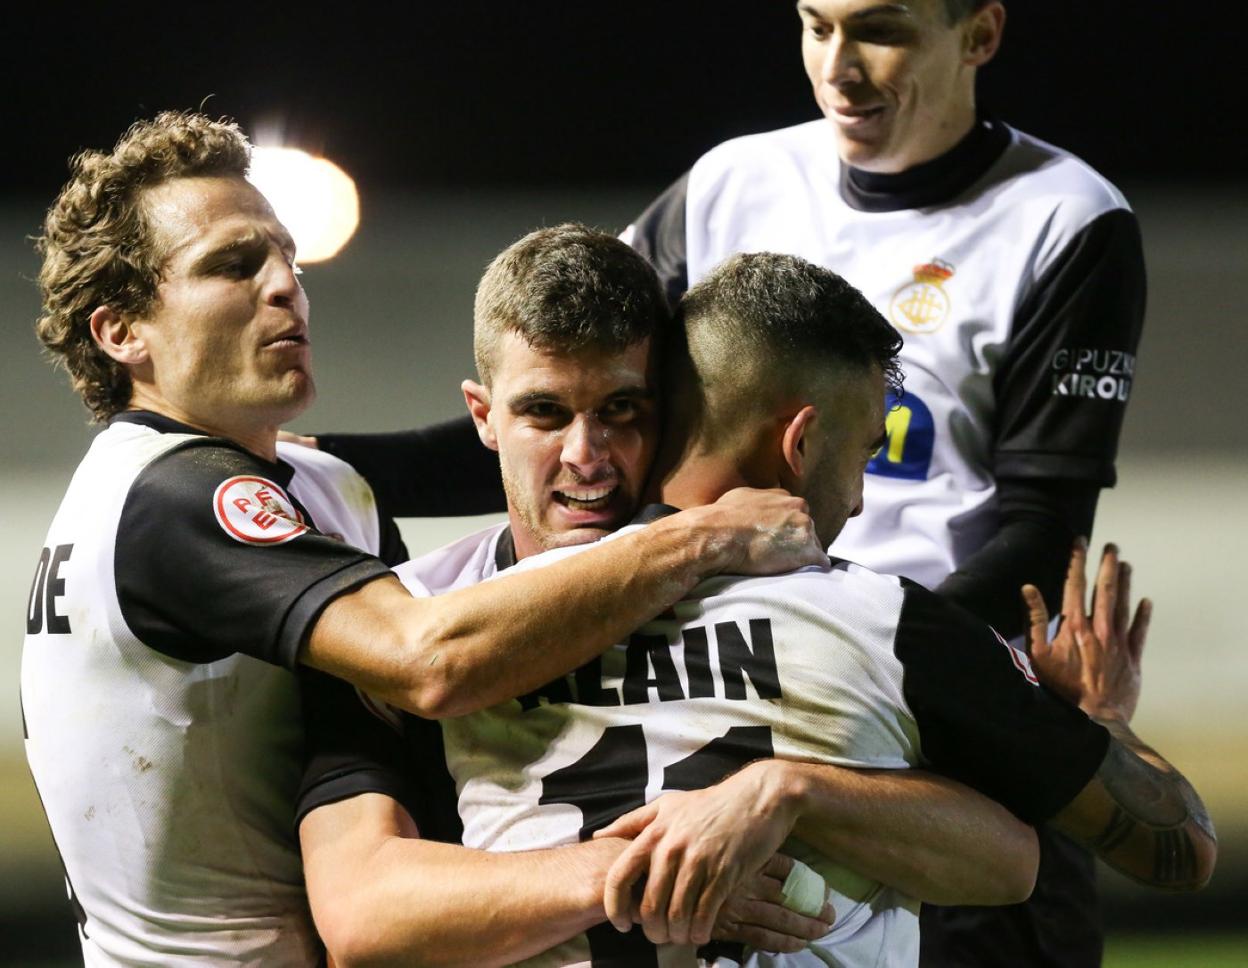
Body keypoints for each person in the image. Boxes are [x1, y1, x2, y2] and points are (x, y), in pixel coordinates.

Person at [21, 113, 826, 966]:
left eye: (286, 256)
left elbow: (529, 454)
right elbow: (430, 663)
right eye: (232, 264)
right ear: (121, 332)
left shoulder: (301, 482)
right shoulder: (173, 498)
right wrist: (703, 538)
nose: (286, 285)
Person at [295, 240, 1211, 966]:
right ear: (803, 440)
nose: (586, 455)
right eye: (863, 457)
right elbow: (1170, 846)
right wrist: (1096, 722)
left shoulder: (412, 622)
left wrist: (789, 792)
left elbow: (1010, 864)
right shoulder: (881, 619)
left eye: (622, 412)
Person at [619, 2, 1148, 963]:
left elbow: (1039, 523)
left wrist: (878, 665)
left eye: (881, 30)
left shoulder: (1068, 216)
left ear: (980, 35)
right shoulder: (731, 184)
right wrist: (339, 454)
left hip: (946, 734)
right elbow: (580, 411)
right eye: (816, 24)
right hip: (742, 718)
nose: (838, 66)